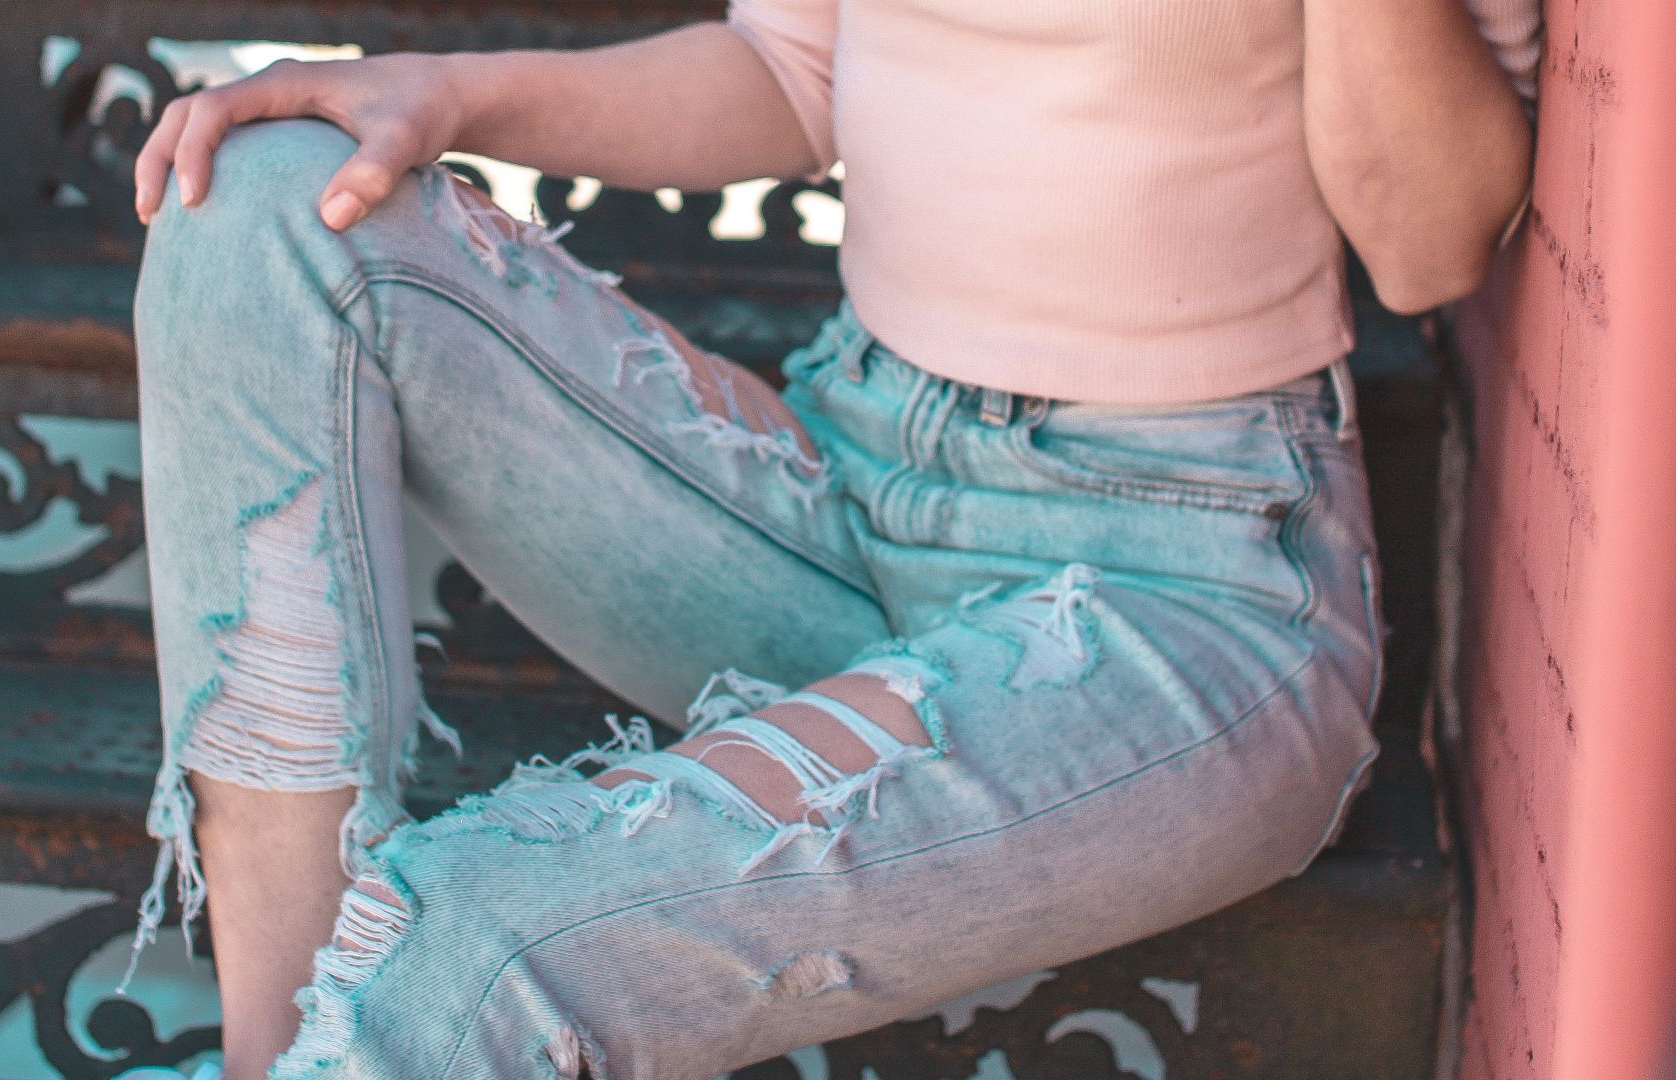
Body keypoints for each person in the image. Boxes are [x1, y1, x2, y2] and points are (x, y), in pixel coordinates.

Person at [126, 0, 1538, 1072]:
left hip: (1185, 589)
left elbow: (1429, 243)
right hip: (857, 488)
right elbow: (793, 70)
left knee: (477, 944)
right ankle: (285, 1041)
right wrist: (446, 92)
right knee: (258, 201)